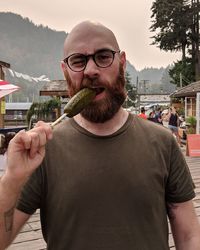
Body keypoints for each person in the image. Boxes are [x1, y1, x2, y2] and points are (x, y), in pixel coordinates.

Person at [0, 21, 200, 250]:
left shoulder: (163, 142)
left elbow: (189, 237)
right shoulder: (43, 150)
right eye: (78, 60)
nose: (91, 70)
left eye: (103, 56)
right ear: (65, 70)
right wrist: (11, 179)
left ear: (121, 63)